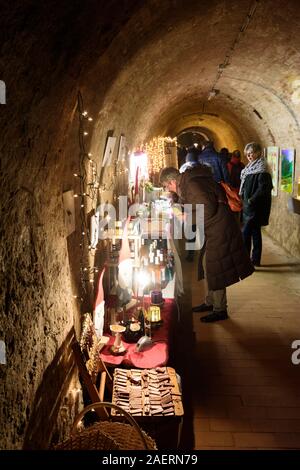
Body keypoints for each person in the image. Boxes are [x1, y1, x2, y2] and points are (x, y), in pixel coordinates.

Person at [159, 165, 254, 322]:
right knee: (206, 263)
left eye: (166, 187)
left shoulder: (191, 184)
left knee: (214, 266)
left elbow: (208, 209)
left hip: (220, 226)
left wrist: (185, 217)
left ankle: (220, 309)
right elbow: (198, 202)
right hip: (215, 225)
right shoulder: (188, 182)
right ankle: (211, 302)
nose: (168, 190)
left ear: (171, 182)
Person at [239, 142, 273, 267]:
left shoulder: (262, 169)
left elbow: (264, 188)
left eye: (251, 153)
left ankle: (247, 260)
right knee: (255, 233)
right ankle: (255, 260)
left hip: (254, 207)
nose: (249, 156)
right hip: (248, 207)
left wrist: (251, 200)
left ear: (258, 152)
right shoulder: (250, 168)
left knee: (246, 233)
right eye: (247, 154)